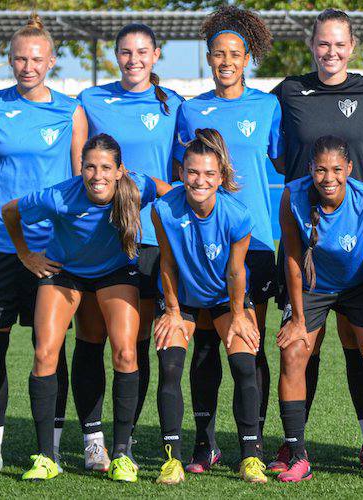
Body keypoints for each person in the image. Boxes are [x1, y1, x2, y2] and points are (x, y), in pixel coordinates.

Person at [0, 13, 87, 474]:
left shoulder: (70, 110)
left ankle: (55, 445)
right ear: (9, 61)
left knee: (51, 349)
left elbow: (78, 183)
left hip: (51, 253)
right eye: (19, 59)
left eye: (36, 59)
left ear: (51, 61)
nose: (27, 66)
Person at [270, 8, 363, 473]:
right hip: (309, 247)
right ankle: (294, 444)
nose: (331, 52)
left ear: (353, 46)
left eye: (340, 44)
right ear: (312, 45)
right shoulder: (287, 91)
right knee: (303, 344)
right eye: (323, 43)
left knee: (362, 345)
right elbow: (274, 149)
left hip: (358, 242)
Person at [2, 133, 164, 482]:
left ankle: (121, 454)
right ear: (81, 168)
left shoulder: (137, 186)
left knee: (126, 353)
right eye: (90, 166)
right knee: (45, 353)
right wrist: (26, 254)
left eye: (106, 167)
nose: (97, 175)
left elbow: (174, 196)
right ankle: (47, 456)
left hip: (116, 273)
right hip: (65, 273)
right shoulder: (60, 196)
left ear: (121, 170)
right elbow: (10, 210)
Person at [171, 6, 282, 473]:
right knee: (203, 346)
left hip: (254, 245)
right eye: (218, 53)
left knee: (248, 342)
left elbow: (283, 164)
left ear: (247, 57)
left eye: (235, 53)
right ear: (209, 57)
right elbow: (180, 177)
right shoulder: (190, 109)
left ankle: (251, 444)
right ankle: (206, 442)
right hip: (200, 245)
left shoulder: (268, 106)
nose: (226, 61)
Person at [75, 22, 183, 471]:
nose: (133, 59)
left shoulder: (173, 104)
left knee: (135, 343)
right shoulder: (91, 99)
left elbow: (181, 174)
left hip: (151, 241)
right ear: (115, 56)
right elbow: (78, 167)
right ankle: (91, 438)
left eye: (142, 51)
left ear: (156, 55)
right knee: (90, 337)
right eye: (125, 52)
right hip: (100, 240)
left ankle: (126, 439)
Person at [277, 136, 363, 483]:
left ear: (349, 169)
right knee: (293, 352)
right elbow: (292, 258)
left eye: (335, 170)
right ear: (310, 169)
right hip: (314, 286)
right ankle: (297, 455)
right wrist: (297, 320)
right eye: (320, 170)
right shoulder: (292, 196)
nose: (328, 178)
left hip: (359, 286)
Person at [151, 128, 266, 485]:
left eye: (208, 174)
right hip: (181, 296)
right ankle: (173, 459)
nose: (200, 180)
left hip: (223, 296)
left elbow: (235, 270)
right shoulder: (163, 210)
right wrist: (171, 311)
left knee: (244, 360)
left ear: (220, 177)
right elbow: (167, 263)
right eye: (193, 172)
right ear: (182, 173)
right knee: (170, 364)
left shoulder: (237, 214)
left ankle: (251, 456)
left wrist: (237, 316)